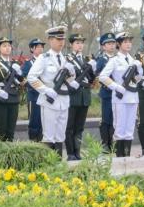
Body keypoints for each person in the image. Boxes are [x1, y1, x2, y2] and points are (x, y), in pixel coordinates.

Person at [27, 26, 77, 157]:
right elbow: (31, 77)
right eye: (58, 39)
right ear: (50, 40)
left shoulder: (67, 58)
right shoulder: (44, 58)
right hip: (49, 101)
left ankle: (58, 165)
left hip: (64, 101)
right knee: (49, 136)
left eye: (63, 39)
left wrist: (72, 74)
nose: (61, 42)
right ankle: (48, 167)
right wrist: (45, 90)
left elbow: (70, 80)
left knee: (60, 135)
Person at [99, 32, 143, 157]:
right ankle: (119, 159)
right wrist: (116, 87)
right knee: (119, 129)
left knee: (129, 130)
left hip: (133, 98)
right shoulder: (114, 60)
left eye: (130, 41)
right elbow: (102, 76)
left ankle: (127, 157)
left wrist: (139, 69)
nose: (128, 44)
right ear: (119, 44)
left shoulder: (133, 60)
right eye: (125, 42)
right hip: (120, 99)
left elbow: (137, 79)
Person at [0, 37, 23, 142]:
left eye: (9, 46)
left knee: (11, 131)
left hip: (14, 98)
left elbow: (23, 82)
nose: (7, 48)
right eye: (4, 46)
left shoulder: (14, 64)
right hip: (0, 100)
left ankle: (9, 156)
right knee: (0, 130)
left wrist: (20, 73)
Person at [64, 33, 95, 161]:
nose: (80, 45)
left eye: (81, 43)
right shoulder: (66, 59)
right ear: (71, 45)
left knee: (80, 127)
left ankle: (78, 152)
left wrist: (93, 69)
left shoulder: (87, 60)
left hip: (84, 96)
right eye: (77, 43)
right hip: (73, 96)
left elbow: (92, 80)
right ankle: (70, 153)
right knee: (70, 126)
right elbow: (64, 78)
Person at [95, 32, 117, 153]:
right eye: (108, 44)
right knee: (106, 119)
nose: (111, 46)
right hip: (107, 93)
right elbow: (99, 76)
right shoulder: (101, 60)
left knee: (115, 119)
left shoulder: (118, 59)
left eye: (113, 43)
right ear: (103, 46)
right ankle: (106, 145)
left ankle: (114, 144)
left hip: (118, 94)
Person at [22, 38, 45, 141]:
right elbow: (24, 80)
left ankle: (42, 143)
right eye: (38, 47)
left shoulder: (45, 61)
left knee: (43, 121)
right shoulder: (28, 63)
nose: (40, 49)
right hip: (34, 96)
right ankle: (33, 143)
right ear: (32, 49)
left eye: (41, 47)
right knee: (34, 121)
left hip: (45, 96)